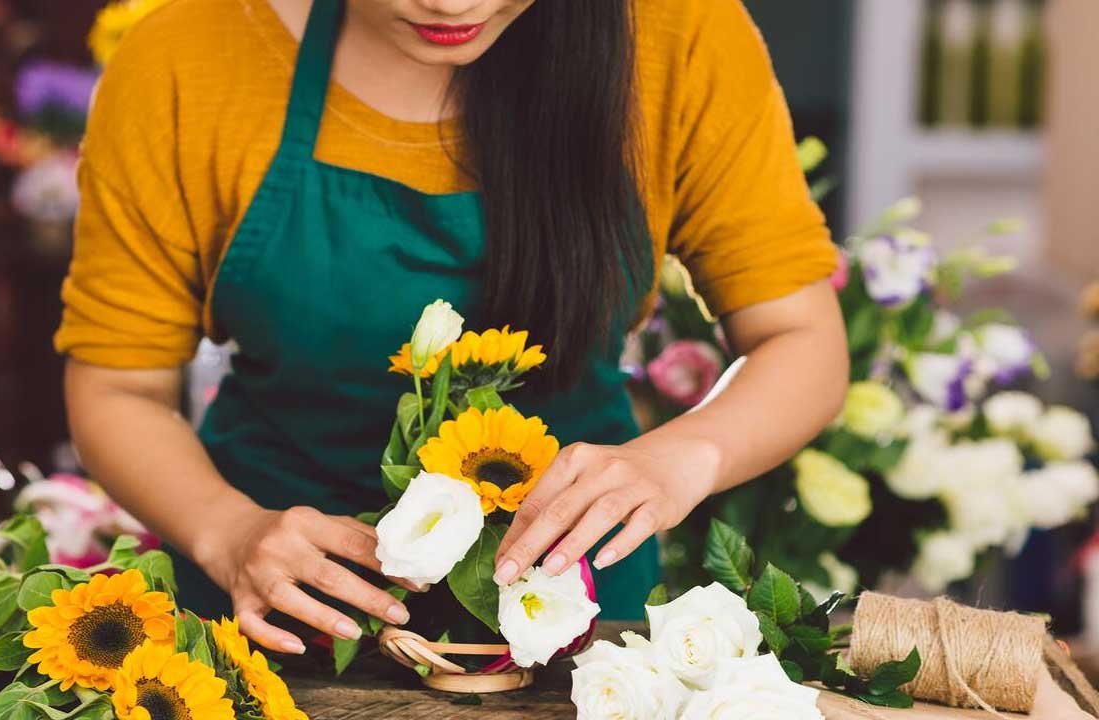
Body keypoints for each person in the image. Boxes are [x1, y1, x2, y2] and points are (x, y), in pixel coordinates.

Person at [57, 0, 849, 656]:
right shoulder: (186, 56)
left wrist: (678, 458)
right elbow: (120, 385)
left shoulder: (681, 36)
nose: (451, 4)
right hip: (272, 617)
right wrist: (227, 531)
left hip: (574, 621)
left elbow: (799, 337)